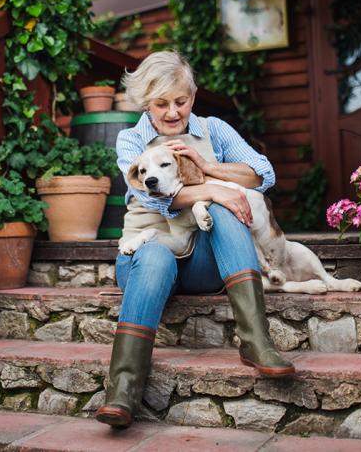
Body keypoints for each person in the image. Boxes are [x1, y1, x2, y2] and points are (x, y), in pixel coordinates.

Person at [95, 50, 294, 428]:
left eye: (181, 102)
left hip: (203, 262)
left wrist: (209, 170)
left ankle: (256, 342)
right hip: (146, 259)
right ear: (145, 104)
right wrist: (216, 190)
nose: (172, 112)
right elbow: (146, 193)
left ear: (193, 96)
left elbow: (262, 174)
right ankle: (122, 389)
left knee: (224, 206)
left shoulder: (214, 130)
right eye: (161, 103)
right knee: (158, 253)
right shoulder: (130, 140)